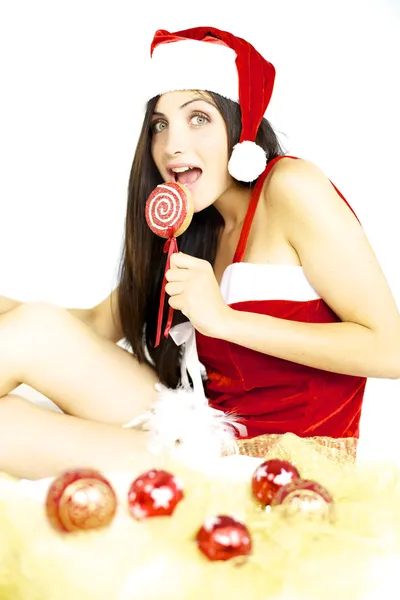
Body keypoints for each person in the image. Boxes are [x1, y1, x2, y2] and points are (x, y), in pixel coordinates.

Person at [0, 26, 399, 479]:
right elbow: (95, 326)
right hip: (203, 428)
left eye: (199, 118)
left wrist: (224, 320)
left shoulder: (292, 188)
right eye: (160, 124)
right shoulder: (190, 223)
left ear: (240, 128)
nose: (172, 145)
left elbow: (391, 350)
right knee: (32, 336)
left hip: (275, 468)